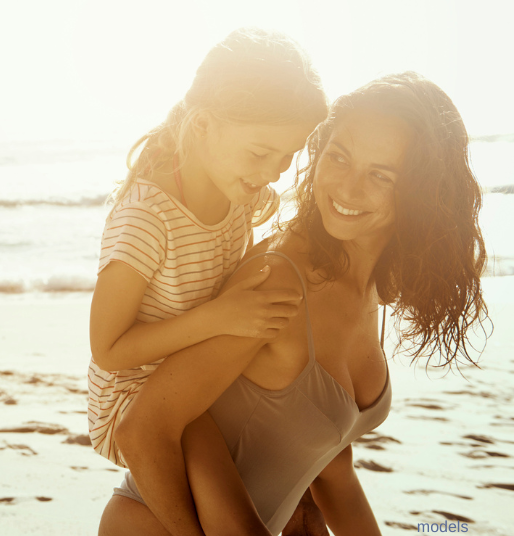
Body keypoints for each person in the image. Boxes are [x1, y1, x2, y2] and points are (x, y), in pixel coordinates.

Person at [100, 71, 489, 536]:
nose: (347, 188)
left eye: (380, 175)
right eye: (339, 156)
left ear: (422, 193)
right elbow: (142, 428)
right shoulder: (278, 280)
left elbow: (332, 471)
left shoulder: (371, 289)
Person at [88, 27, 327, 535]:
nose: (276, 173)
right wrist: (215, 317)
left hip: (195, 365)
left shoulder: (239, 192)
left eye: (288, 157)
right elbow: (107, 349)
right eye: (261, 152)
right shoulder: (146, 220)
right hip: (136, 394)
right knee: (195, 431)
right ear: (201, 126)